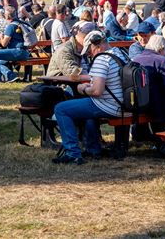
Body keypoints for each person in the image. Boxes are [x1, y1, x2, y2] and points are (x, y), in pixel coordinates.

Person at [52, 31, 128, 164]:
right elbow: (104, 77)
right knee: (87, 114)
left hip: (108, 105)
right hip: (123, 103)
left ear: (97, 46)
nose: (89, 54)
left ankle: (72, 153)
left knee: (61, 109)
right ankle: (93, 149)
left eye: (89, 50)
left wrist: (83, 89)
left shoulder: (101, 59)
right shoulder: (119, 53)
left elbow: (97, 91)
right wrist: (83, 78)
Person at [0, 6, 31, 83]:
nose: (4, 15)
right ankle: (11, 76)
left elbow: (4, 44)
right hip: (26, 52)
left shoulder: (11, 26)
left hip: (18, 52)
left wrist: (1, 37)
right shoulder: (21, 23)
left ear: (7, 16)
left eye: (4, 14)